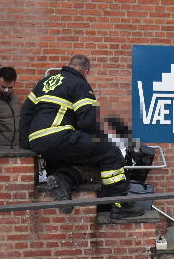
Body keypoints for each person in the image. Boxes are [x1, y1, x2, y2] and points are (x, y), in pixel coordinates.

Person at [19, 55, 142, 219]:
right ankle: (120, 204)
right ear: (86, 71)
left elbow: (26, 114)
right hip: (60, 135)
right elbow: (87, 122)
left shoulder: (44, 83)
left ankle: (63, 179)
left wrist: (26, 145)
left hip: (37, 141)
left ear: (69, 65)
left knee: (84, 158)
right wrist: (104, 140)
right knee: (110, 153)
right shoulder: (80, 84)